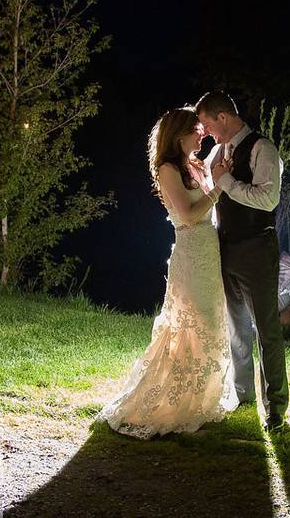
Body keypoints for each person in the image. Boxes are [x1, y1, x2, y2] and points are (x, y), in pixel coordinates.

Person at [98, 107, 238, 439]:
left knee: (211, 321)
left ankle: (202, 399)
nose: (202, 133)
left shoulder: (196, 165)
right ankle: (175, 401)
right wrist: (220, 187)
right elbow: (189, 215)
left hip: (209, 252)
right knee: (192, 323)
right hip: (190, 254)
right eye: (196, 129)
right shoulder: (167, 169)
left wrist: (213, 177)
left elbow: (208, 209)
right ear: (178, 135)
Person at [196, 91, 288, 432]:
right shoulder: (216, 154)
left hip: (257, 249)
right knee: (235, 327)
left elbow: (267, 199)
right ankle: (243, 395)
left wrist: (227, 183)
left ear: (223, 118)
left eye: (207, 124)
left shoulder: (263, 148)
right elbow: (211, 194)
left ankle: (275, 407)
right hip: (224, 248)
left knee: (267, 329)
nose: (205, 133)